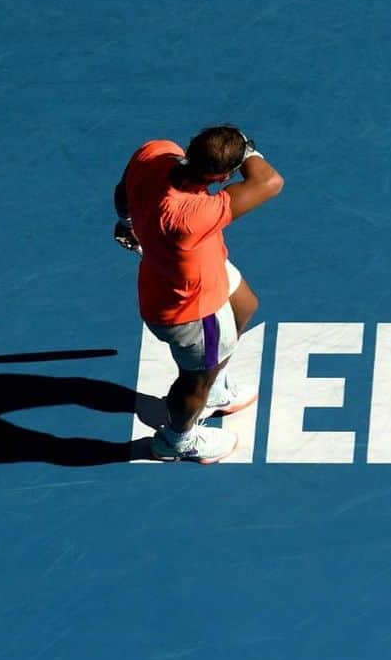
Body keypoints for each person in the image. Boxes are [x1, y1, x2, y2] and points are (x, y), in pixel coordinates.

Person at [113, 125, 284, 462]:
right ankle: (177, 440)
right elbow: (269, 182)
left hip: (191, 271)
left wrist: (127, 223)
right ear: (222, 177)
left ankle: (215, 391)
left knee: (245, 303)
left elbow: (122, 191)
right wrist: (246, 148)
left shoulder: (155, 153)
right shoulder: (192, 216)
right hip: (192, 308)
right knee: (195, 382)